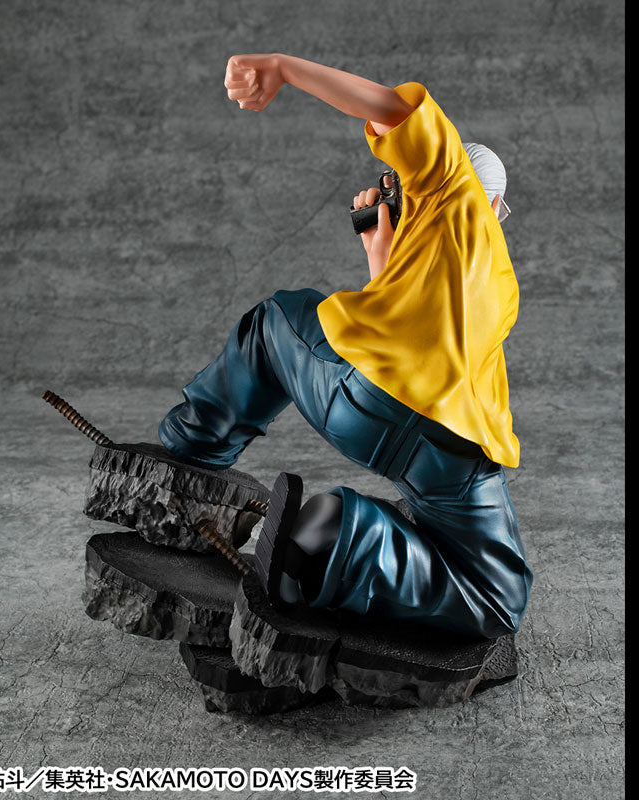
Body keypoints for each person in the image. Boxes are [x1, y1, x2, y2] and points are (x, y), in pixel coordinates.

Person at [157, 53, 533, 640]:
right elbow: (411, 320)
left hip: (368, 406)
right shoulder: (499, 280)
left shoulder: (449, 177)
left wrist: (281, 67)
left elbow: (391, 107)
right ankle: (346, 541)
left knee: (278, 320)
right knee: (496, 597)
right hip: (454, 453)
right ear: (498, 210)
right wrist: (380, 246)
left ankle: (194, 447)